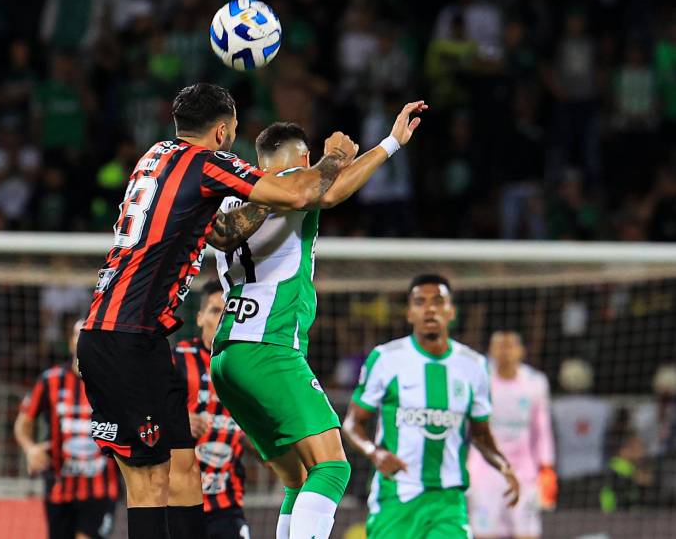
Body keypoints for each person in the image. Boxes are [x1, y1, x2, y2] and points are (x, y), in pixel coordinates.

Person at [77, 82, 358, 539]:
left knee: (185, 468)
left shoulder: (154, 157)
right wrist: (333, 160)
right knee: (149, 482)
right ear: (224, 131)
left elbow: (225, 231)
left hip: (141, 337)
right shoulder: (207, 162)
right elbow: (299, 194)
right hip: (123, 335)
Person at [209, 100, 427, 539]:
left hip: (228, 354)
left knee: (298, 477)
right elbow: (328, 191)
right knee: (331, 468)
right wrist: (390, 143)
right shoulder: (291, 184)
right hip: (270, 347)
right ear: (304, 160)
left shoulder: (235, 201)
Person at [342, 274, 520, 539]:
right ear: (409, 313)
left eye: (438, 301)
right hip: (396, 497)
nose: (430, 308)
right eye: (420, 302)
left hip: (448, 501)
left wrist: (504, 465)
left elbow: (481, 434)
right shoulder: (386, 359)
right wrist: (374, 453)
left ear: (451, 312)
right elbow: (352, 422)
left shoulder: (474, 366)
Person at [14, 320, 119, 539]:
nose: (82, 341)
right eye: (77, 335)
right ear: (70, 342)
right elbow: (23, 424)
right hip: (59, 487)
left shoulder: (113, 382)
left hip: (100, 488)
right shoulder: (51, 380)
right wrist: (31, 449)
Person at [171, 281, 250, 539]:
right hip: (180, 501)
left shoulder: (247, 366)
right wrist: (181, 420)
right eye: (216, 311)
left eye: (228, 312)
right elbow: (146, 416)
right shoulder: (178, 358)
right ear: (200, 317)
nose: (222, 319)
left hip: (226, 503)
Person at [467, 331, 556, 539]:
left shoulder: (536, 382)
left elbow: (542, 428)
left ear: (521, 351)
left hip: (523, 470)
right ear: (490, 351)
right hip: (484, 470)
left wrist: (547, 467)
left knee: (526, 533)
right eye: (499, 345)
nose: (505, 351)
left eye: (510, 345)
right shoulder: (479, 381)